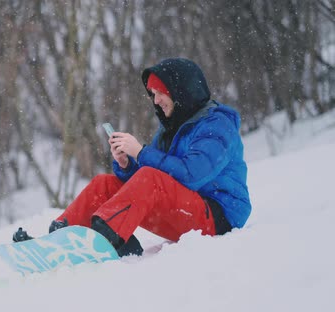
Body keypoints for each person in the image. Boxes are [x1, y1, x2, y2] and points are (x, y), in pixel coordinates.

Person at [13, 58, 252, 257]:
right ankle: (58, 241)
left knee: (150, 178)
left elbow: (191, 175)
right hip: (185, 210)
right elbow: (152, 183)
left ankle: (109, 239)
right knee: (104, 184)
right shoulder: (172, 128)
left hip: (218, 219)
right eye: (153, 94)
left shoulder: (217, 126)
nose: (155, 100)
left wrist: (141, 152)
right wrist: (127, 165)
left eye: (161, 93)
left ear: (181, 91)